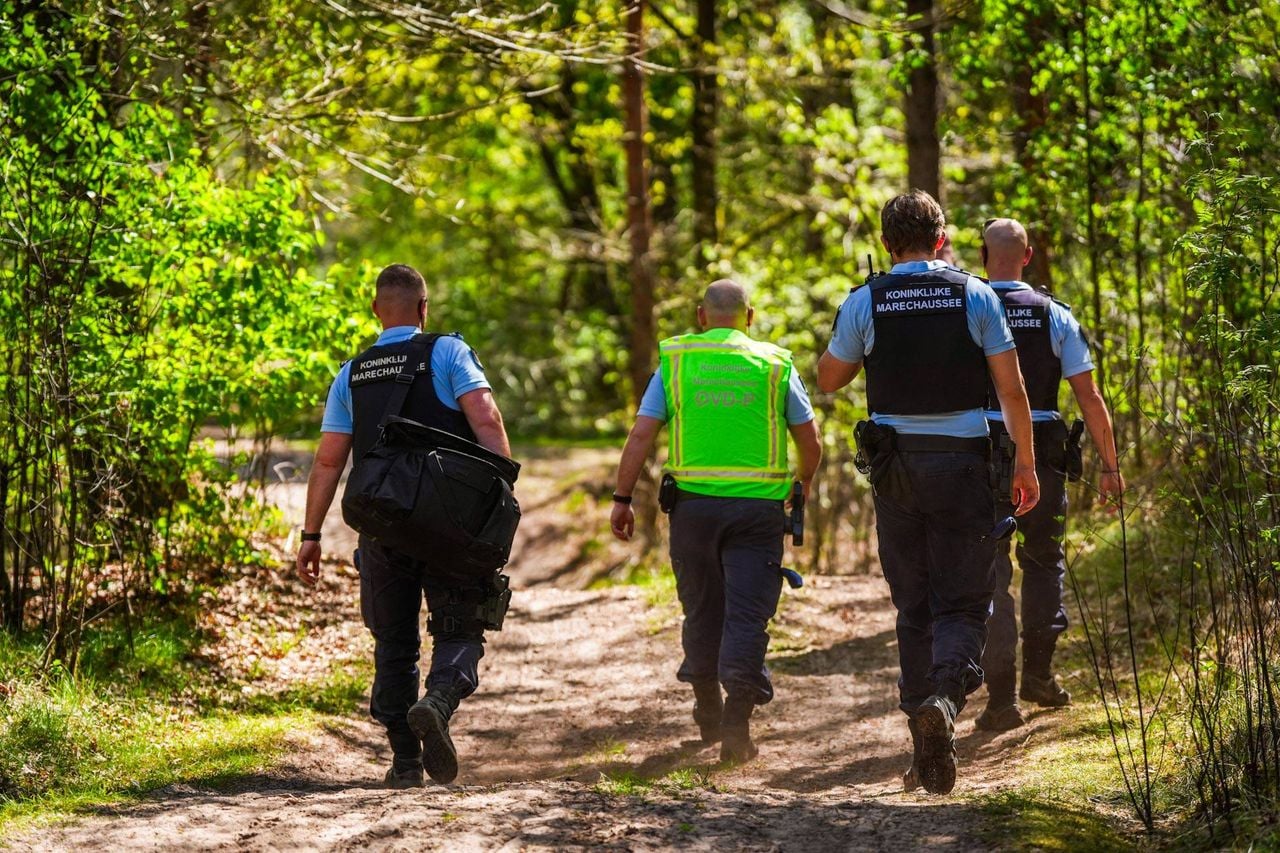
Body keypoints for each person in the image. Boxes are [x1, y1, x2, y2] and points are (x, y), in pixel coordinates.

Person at [816, 191, 1040, 796]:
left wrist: (861, 332)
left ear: (888, 244)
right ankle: (943, 701)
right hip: (966, 466)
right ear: (942, 239)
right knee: (964, 604)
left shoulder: (866, 300)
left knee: (913, 605)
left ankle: (923, 737)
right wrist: (1027, 463)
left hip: (895, 471)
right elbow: (1013, 390)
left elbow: (829, 379)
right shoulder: (976, 295)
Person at [295, 263, 513, 789]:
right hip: (451, 525)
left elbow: (328, 462)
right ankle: (437, 702)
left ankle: (404, 761)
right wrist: (500, 502)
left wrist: (311, 535)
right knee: (460, 625)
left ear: (376, 311)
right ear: (423, 308)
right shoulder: (448, 352)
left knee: (393, 641)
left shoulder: (351, 372)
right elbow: (487, 420)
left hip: (384, 526)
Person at [610, 280, 822, 763]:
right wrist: (802, 486)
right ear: (749, 317)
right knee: (747, 616)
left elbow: (642, 434)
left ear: (701, 317)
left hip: (693, 513)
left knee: (701, 609)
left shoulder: (678, 361)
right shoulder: (774, 365)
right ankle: (736, 725)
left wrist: (623, 498)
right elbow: (810, 442)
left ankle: (707, 708)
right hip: (757, 513)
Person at [973, 218, 1125, 732]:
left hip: (978, 451)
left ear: (981, 255)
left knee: (989, 571)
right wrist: (1110, 464)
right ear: (1029, 256)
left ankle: (999, 701)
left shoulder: (968, 307)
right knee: (1042, 561)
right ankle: (1037, 675)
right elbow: (1090, 395)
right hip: (1043, 453)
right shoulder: (1054, 314)